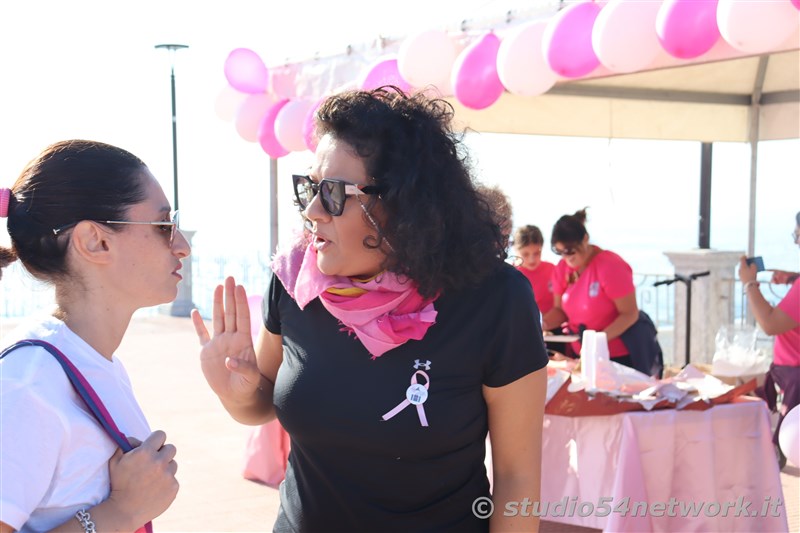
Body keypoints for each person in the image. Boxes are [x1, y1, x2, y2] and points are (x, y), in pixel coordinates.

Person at [194, 87, 548, 532]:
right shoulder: (297, 281)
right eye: (309, 189)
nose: (313, 211)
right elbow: (260, 405)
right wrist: (236, 392)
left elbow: (518, 477)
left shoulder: (494, 298)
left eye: (335, 193)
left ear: (405, 203)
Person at [0, 140, 186, 533]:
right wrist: (121, 512)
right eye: (164, 226)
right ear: (94, 241)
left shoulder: (93, 360)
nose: (182, 246)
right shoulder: (27, 388)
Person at [542, 208, 640, 369]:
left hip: (615, 356)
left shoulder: (610, 266)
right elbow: (560, 311)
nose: (567, 257)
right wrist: (542, 324)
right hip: (579, 352)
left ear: (585, 239)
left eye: (570, 250)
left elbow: (630, 314)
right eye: (560, 252)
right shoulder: (562, 268)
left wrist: (596, 341)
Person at [739, 211, 800, 468]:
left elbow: (770, 323)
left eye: (797, 235)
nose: (796, 242)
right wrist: (793, 278)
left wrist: (750, 284)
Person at [513, 225, 555, 315]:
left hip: (552, 326)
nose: (531, 259)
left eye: (536, 253)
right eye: (525, 254)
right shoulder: (511, 274)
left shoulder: (552, 269)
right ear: (515, 250)